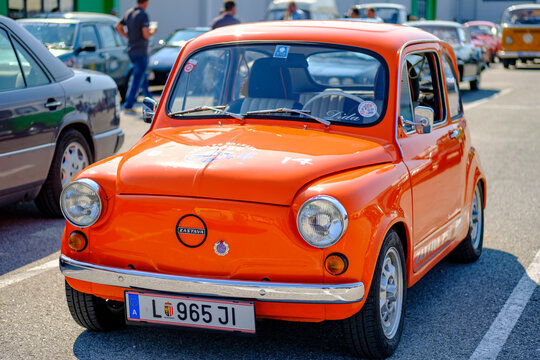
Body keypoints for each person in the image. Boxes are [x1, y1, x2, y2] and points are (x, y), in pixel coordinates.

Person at [115, 0, 156, 111]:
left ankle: (150, 100)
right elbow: (146, 34)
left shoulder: (129, 13)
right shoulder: (142, 15)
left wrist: (128, 36)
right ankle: (128, 104)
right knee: (137, 78)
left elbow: (118, 26)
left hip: (131, 51)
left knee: (143, 76)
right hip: (140, 51)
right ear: (146, 2)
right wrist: (153, 32)